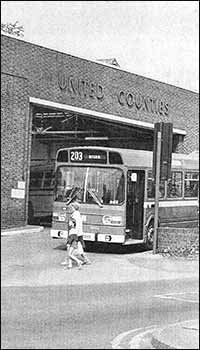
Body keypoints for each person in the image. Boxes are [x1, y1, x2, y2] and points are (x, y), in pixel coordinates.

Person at [70, 201, 91, 265]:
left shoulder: (75, 216)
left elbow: (75, 225)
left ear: (74, 208)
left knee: (71, 248)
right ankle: (86, 260)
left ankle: (71, 262)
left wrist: (74, 234)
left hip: (76, 234)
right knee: (79, 248)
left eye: (71, 207)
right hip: (78, 234)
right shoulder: (77, 214)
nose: (70, 209)